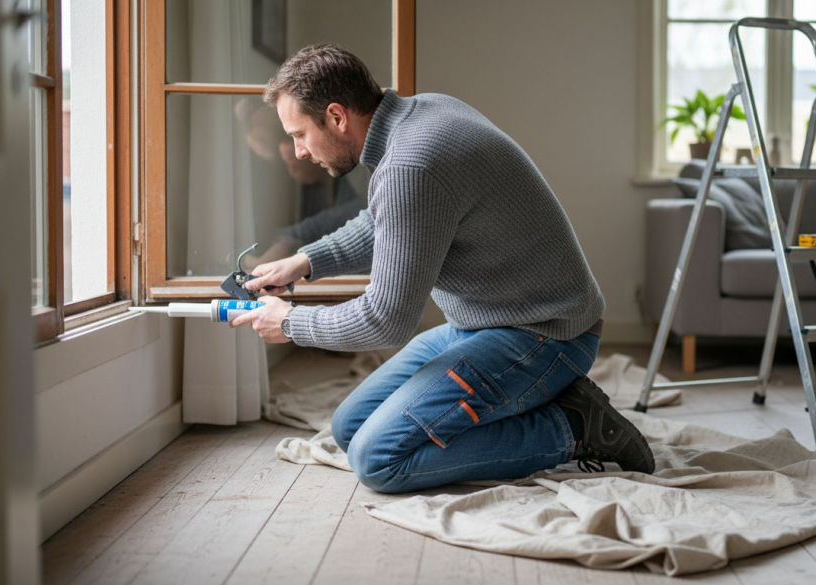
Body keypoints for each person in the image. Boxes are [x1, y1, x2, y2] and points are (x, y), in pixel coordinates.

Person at [231, 44, 654, 493]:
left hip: (544, 335)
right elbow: (387, 219)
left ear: (336, 116)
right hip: (487, 322)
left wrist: (291, 323)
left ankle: (571, 427)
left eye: (299, 135)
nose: (298, 152)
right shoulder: (422, 111)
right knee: (349, 427)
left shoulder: (411, 164)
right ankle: (530, 403)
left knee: (378, 460)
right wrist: (305, 261)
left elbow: (384, 320)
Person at [234, 98, 368, 267]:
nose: (298, 153)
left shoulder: (356, 171)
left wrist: (290, 240)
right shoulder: (306, 193)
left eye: (298, 136)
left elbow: (366, 215)